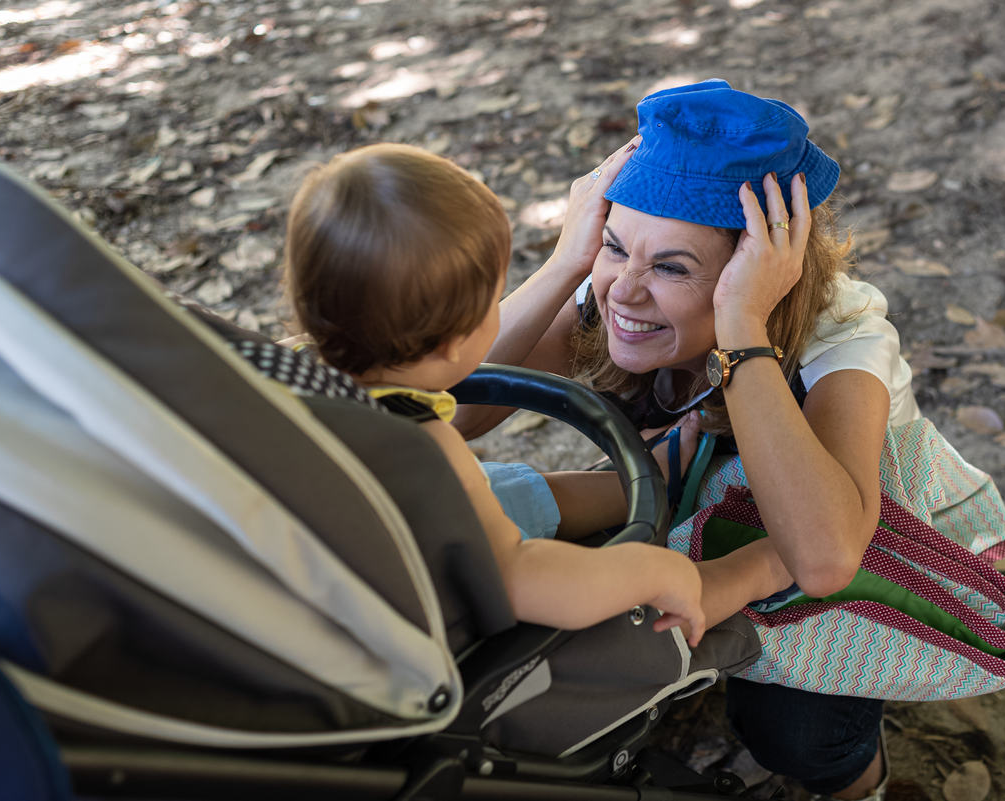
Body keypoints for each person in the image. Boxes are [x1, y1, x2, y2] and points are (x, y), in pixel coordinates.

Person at [452, 79, 934, 800]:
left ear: (767, 271)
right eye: (615, 244)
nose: (625, 291)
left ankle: (860, 784)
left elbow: (826, 556)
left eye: (673, 267)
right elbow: (450, 410)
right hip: (695, 490)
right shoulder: (609, 284)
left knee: (791, 730)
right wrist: (565, 264)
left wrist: (743, 327)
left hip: (836, 527)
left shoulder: (844, 337)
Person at [279, 142, 706, 644]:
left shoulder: (284, 365)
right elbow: (528, 579)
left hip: (309, 546)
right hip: (380, 625)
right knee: (494, 504)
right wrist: (658, 572)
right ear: (458, 340)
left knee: (499, 489)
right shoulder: (419, 453)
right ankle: (676, 501)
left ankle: (647, 478)